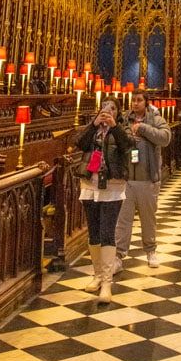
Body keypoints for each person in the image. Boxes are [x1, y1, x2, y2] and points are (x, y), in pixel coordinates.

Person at [75, 98, 132, 303]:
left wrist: (115, 128)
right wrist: (93, 125)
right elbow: (79, 143)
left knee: (108, 232)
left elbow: (128, 146)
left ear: (118, 112)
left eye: (113, 108)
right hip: (90, 184)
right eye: (105, 108)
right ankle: (97, 275)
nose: (108, 112)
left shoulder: (122, 129)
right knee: (94, 233)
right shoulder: (93, 129)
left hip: (112, 185)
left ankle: (107, 282)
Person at [114, 90, 171, 271]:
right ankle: (118, 255)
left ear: (146, 103)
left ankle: (150, 251)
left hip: (148, 178)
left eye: (139, 100)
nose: (135, 103)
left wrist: (144, 129)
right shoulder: (124, 119)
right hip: (127, 178)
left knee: (148, 218)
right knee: (123, 219)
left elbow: (165, 138)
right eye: (133, 101)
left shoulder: (155, 118)